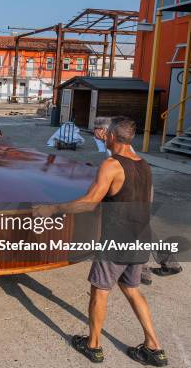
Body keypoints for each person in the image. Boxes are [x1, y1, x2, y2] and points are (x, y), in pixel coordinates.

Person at [34, 118, 168, 366]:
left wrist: (53, 207)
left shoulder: (111, 164)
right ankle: (154, 347)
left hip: (117, 240)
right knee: (132, 290)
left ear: (112, 137)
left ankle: (93, 345)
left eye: (105, 133)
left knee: (100, 291)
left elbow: (89, 202)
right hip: (140, 237)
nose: (102, 136)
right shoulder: (144, 164)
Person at [93, 117, 181, 285]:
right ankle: (167, 262)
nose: (93, 134)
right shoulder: (113, 143)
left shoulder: (115, 145)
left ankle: (145, 269)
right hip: (134, 183)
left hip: (135, 186)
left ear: (104, 131)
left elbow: (120, 168)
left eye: (94, 130)